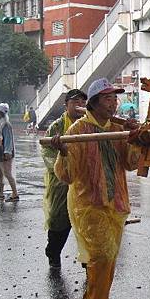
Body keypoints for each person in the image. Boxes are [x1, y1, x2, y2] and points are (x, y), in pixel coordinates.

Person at [51, 78, 141, 299]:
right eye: (109, 98)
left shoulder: (118, 129)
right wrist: (64, 152)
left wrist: (135, 140)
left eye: (115, 98)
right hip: (89, 204)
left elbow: (130, 163)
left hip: (116, 203)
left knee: (108, 258)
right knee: (101, 256)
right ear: (95, 103)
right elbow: (67, 175)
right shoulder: (77, 131)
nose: (114, 103)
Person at [41, 89, 88, 269]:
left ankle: (87, 261)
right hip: (62, 182)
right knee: (59, 220)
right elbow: (47, 152)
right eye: (75, 102)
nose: (80, 106)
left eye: (83, 103)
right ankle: (53, 252)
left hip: (84, 182)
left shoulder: (88, 124)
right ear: (66, 105)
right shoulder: (57, 127)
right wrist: (62, 167)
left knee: (85, 222)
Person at [0, 103, 19, 202]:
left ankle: (15, 193)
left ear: (0, 112)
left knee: (7, 173)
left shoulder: (6, 124)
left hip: (5, 153)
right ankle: (1, 193)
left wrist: (7, 151)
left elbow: (8, 139)